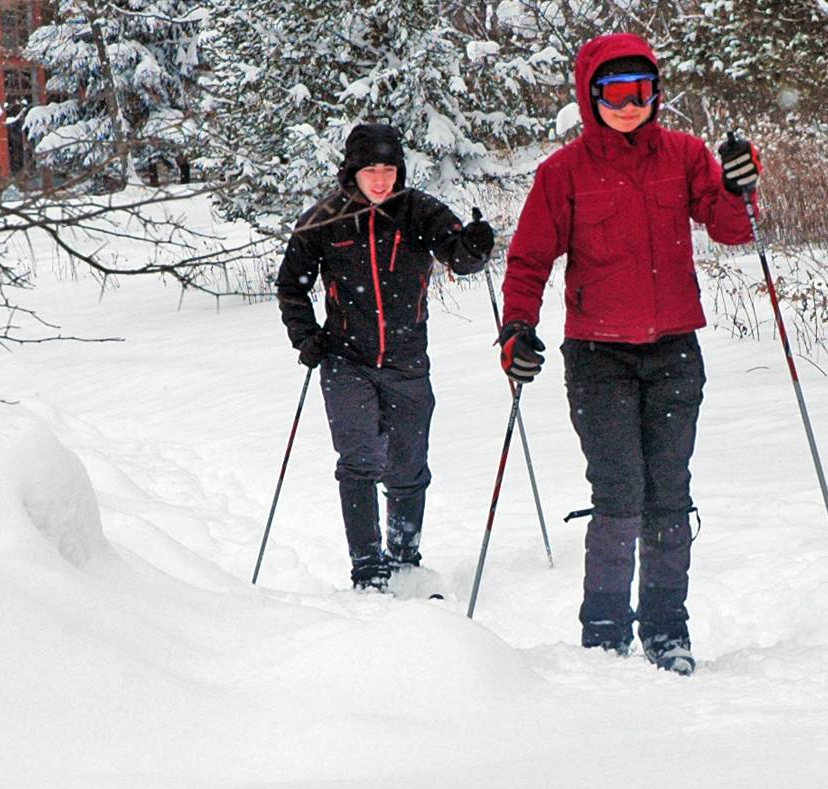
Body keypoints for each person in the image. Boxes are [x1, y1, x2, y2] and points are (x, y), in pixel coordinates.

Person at [498, 33, 761, 674]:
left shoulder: (684, 156)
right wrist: (516, 330)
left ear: (655, 93)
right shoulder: (563, 173)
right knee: (620, 490)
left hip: (673, 350)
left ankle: (668, 628)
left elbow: (732, 230)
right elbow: (529, 258)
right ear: (592, 96)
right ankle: (606, 630)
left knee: (669, 492)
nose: (629, 104)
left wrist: (739, 185)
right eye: (615, 92)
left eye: (641, 91)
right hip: (597, 356)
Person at [277, 123, 495, 590]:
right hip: (344, 360)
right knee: (358, 461)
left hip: (406, 359)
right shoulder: (323, 219)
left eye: (389, 169)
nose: (380, 179)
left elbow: (458, 254)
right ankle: (367, 564)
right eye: (370, 169)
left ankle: (404, 554)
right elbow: (291, 285)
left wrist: (474, 248)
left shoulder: (419, 211)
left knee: (408, 465)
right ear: (352, 170)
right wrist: (305, 335)